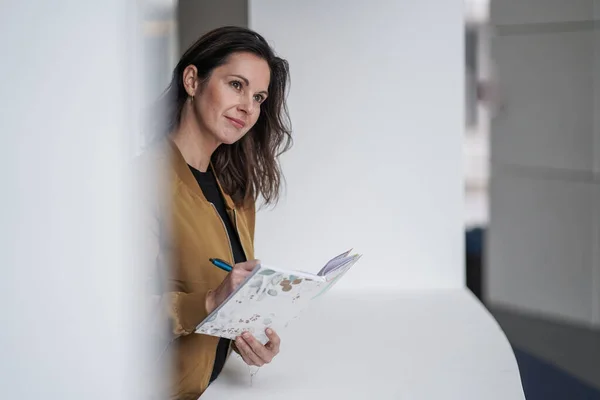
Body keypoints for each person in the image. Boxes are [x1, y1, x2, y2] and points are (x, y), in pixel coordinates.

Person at [137, 26, 293, 399]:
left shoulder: (235, 189)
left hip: (215, 388)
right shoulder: (144, 182)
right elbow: (115, 312)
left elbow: (229, 297)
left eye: (258, 97)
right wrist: (208, 301)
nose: (249, 107)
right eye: (236, 85)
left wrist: (247, 339)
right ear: (192, 80)